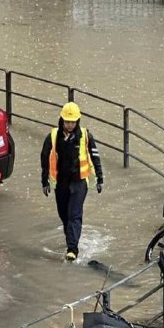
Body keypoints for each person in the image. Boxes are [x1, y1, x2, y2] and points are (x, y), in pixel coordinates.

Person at [40, 101, 103, 261]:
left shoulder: (85, 136)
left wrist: (100, 178)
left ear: (78, 121)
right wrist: (45, 181)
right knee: (64, 215)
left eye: (73, 122)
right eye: (67, 121)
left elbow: (95, 156)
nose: (70, 125)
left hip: (79, 182)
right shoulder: (53, 136)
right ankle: (71, 239)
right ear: (62, 120)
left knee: (74, 214)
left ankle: (72, 249)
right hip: (61, 182)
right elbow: (44, 158)